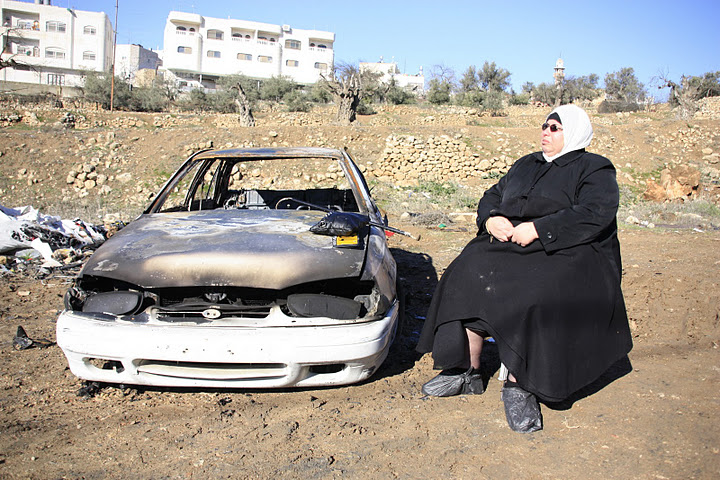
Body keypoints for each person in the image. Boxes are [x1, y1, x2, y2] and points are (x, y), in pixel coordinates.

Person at [416, 104, 633, 433]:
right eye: (544, 126)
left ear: (572, 132)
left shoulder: (594, 169)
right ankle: (466, 371)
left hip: (568, 252)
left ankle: (520, 385)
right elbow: (493, 194)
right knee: (465, 271)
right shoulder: (525, 164)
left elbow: (594, 213)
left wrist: (539, 230)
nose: (545, 132)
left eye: (555, 128)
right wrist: (491, 218)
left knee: (535, 292)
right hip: (511, 245)